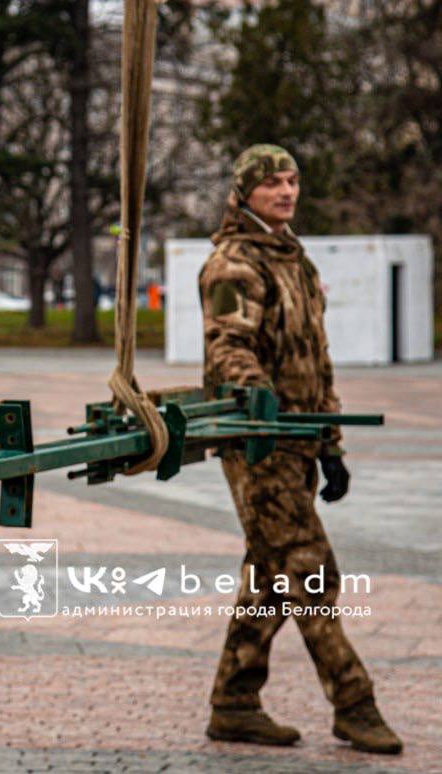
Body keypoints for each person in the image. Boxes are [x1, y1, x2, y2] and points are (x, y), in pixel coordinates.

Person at [199, 144, 402, 754]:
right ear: (244, 194)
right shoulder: (233, 263)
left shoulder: (295, 259)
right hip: (260, 444)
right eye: (272, 183)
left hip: (299, 441)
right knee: (310, 571)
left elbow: (315, 356)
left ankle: (234, 701)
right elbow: (228, 348)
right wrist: (260, 405)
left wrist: (329, 441)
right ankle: (354, 702)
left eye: (291, 180)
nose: (286, 191)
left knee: (270, 576)